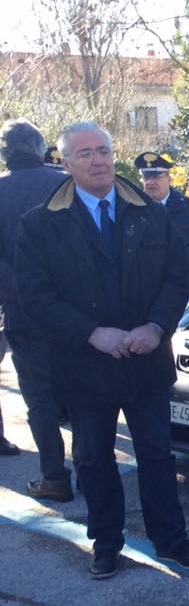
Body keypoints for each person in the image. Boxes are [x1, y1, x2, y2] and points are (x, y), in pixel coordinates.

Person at [16, 121, 189, 579]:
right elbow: (36, 296)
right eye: (84, 153)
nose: (97, 160)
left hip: (146, 358)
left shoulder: (150, 212)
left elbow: (179, 276)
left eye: (103, 150)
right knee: (93, 458)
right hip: (86, 364)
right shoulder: (41, 223)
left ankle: (172, 540)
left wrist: (157, 325)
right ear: (64, 163)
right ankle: (105, 543)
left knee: (158, 456)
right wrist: (90, 333)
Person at [0, 120, 71, 485]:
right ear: (40, 147)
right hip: (76, 309)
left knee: (39, 398)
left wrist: (16, 292)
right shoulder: (65, 183)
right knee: (83, 394)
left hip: (24, 312)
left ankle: (54, 476)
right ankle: (94, 475)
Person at [134, 151, 189, 283]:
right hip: (147, 288)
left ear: (168, 179)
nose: (150, 182)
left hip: (184, 286)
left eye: (156, 177)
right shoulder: (134, 210)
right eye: (146, 177)